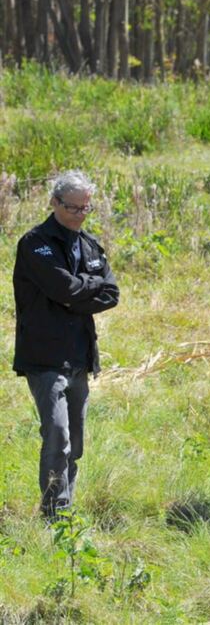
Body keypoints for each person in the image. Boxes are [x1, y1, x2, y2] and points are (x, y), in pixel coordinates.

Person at [12, 170, 119, 521]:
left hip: (80, 354)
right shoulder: (35, 243)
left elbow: (111, 293)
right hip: (44, 357)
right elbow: (62, 290)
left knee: (76, 440)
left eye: (85, 208)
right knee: (57, 435)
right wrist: (81, 290)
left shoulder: (89, 243)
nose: (79, 214)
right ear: (54, 202)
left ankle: (65, 511)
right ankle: (54, 514)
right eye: (72, 207)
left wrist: (77, 291)